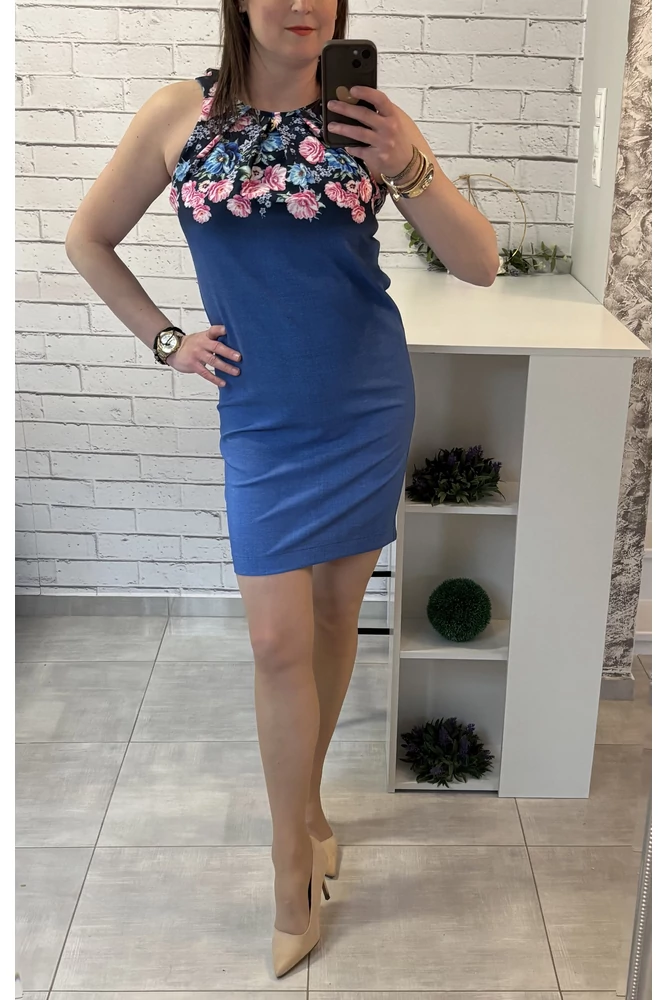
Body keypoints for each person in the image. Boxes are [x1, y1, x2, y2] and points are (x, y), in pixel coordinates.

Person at [65, 0, 499, 979]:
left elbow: (478, 263)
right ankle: (288, 864)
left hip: (364, 402)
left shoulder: (371, 118)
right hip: (260, 415)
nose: (302, 4)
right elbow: (88, 238)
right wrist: (167, 341)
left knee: (337, 619)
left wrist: (405, 165)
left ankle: (306, 809)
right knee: (275, 642)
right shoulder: (179, 114)